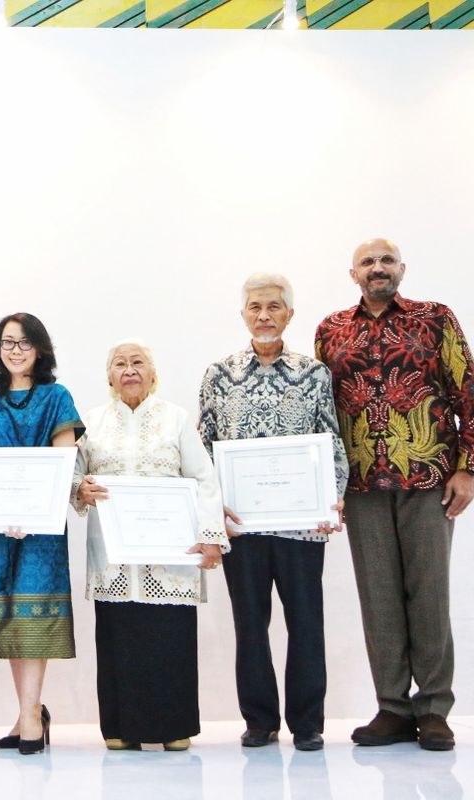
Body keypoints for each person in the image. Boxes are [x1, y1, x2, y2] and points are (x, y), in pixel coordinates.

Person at [316, 238, 474, 751]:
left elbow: (467, 392)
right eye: (368, 262)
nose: (377, 268)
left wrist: (468, 469)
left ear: (402, 268)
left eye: (386, 261)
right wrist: (322, 484)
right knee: (378, 598)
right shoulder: (330, 331)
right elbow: (321, 414)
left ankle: (433, 709)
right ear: (352, 273)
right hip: (361, 485)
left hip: (429, 478)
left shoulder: (436, 319)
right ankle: (392, 707)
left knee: (429, 595)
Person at [198, 273, 348, 752]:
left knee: (306, 622)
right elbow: (204, 450)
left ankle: (307, 723)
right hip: (241, 526)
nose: (264, 315)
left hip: (302, 525)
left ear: (289, 314)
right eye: (255, 307)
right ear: (243, 313)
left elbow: (331, 444)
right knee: (250, 624)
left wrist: (333, 496)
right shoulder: (218, 374)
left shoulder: (314, 373)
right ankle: (259, 720)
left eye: (274, 307)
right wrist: (211, 509)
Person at [73, 339, 226, 751]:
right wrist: (80, 490)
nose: (129, 370)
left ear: (153, 373)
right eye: (120, 363)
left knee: (168, 638)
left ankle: (173, 726)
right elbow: (72, 476)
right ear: (109, 376)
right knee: (118, 637)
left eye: (138, 362)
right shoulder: (92, 422)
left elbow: (205, 478)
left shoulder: (175, 419)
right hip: (114, 558)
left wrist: (211, 537)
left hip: (170, 557)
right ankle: (120, 727)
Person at [0, 313, 82, 755]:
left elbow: (64, 461)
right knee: (9, 617)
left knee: (35, 619)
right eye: (7, 342)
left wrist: (32, 509)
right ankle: (27, 709)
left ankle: (32, 715)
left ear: (40, 349)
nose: (14, 350)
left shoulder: (56, 397)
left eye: (24, 343)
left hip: (42, 532)